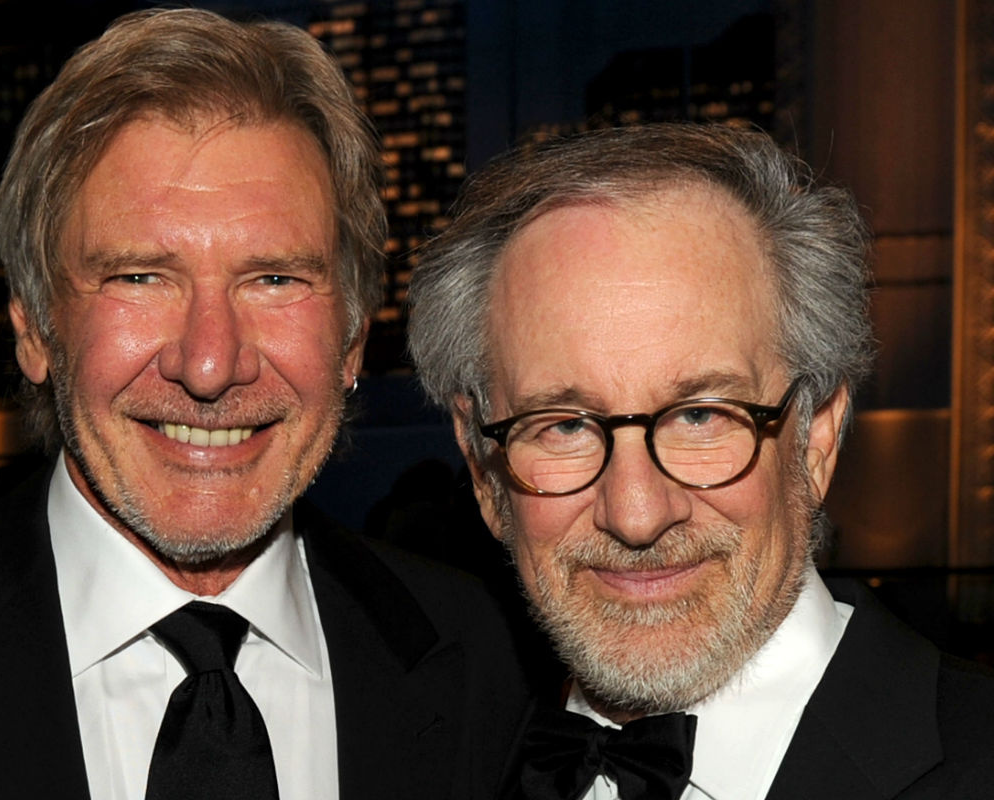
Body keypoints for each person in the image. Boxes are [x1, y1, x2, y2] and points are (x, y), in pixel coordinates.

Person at [0, 9, 528, 799]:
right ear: (35, 329)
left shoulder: (481, 658)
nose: (209, 363)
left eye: (274, 279)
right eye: (140, 277)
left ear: (352, 339)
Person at [408, 124, 994, 800]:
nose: (635, 512)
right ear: (484, 471)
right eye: (565, 426)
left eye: (701, 416)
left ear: (816, 438)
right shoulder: (451, 769)